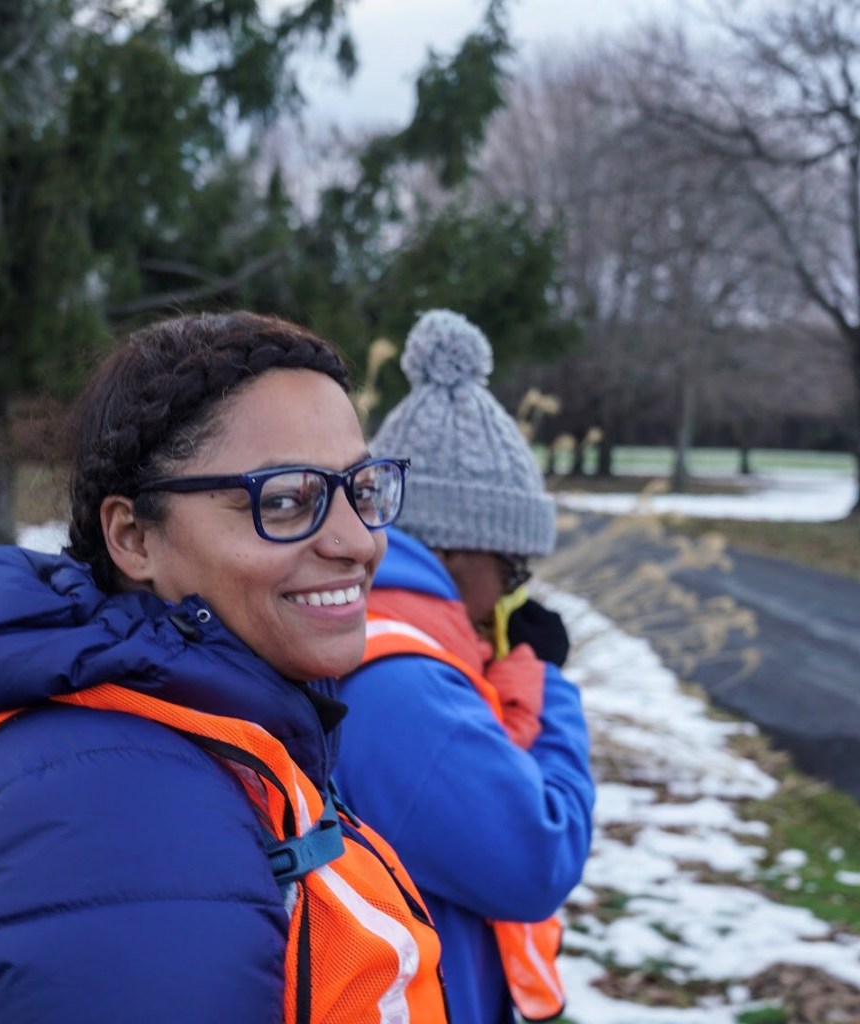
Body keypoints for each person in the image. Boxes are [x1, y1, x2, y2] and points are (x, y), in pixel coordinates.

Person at [0, 311, 450, 1023]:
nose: (358, 541)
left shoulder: (197, 733)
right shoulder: (111, 812)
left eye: (364, 488)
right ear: (133, 537)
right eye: (287, 499)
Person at [332, 309, 596, 1024]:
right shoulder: (398, 686)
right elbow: (538, 854)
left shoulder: (379, 636)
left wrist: (514, 679)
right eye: (512, 569)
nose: (516, 592)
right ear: (451, 551)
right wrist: (555, 688)